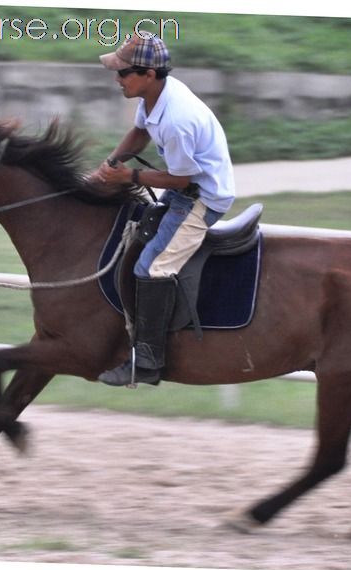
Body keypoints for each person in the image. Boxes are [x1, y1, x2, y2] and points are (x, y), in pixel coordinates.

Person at [90, 34, 236, 386]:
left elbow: (182, 180)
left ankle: (150, 362)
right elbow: (138, 133)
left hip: (203, 198)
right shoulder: (155, 97)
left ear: (149, 74)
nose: (117, 79)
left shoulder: (177, 120)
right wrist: (109, 165)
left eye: (123, 73)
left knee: (151, 268)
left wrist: (130, 175)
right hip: (185, 188)